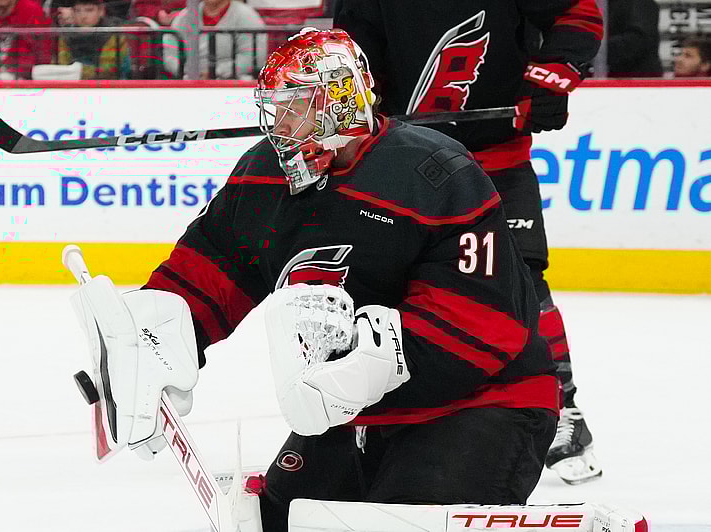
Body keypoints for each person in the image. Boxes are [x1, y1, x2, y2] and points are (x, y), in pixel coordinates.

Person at [72, 28, 559, 532]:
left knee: (402, 522)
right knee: (277, 522)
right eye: (276, 106)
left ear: (340, 102)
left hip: (484, 403)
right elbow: (214, 266)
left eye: (294, 105)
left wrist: (374, 359)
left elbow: (485, 321)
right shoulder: (263, 172)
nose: (279, 122)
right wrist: (155, 335)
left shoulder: (436, 173)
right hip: (353, 410)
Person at [333, 0, 604, 485]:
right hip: (410, 161)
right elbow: (354, 56)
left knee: (523, 286)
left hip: (497, 161)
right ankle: (392, 412)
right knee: (389, 285)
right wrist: (354, 115)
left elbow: (578, 13)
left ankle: (563, 406)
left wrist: (549, 78)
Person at [163, 0, 266, 79]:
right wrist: (188, 73)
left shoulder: (247, 16)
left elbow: (254, 57)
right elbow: (169, 53)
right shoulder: (185, 16)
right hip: (188, 81)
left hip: (233, 82)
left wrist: (216, 72)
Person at [56, 0, 132, 79]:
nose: (83, 16)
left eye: (89, 10)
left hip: (109, 84)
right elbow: (62, 67)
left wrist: (78, 71)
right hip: (73, 84)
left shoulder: (114, 34)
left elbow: (109, 69)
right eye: (77, 10)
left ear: (101, 11)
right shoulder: (66, 34)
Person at [607, 0, 663, 77]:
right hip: (620, 76)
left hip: (636, 77)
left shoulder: (638, 3)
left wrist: (598, 50)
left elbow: (637, 40)